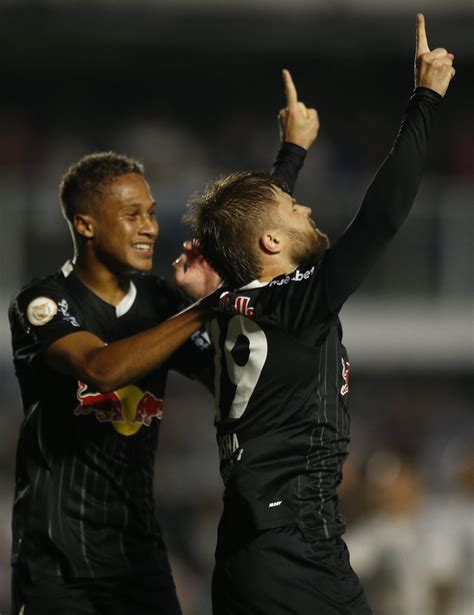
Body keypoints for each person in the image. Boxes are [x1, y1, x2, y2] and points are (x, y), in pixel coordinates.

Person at [185, 14, 455, 615]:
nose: (305, 206)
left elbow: (252, 235)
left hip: (242, 557)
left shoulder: (237, 304)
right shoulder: (297, 300)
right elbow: (381, 217)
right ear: (273, 246)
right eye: (293, 204)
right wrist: (425, 98)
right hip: (299, 554)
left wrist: (291, 151)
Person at [8, 94, 316, 613]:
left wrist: (291, 156)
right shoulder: (43, 302)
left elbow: (231, 384)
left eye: (151, 213)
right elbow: (100, 369)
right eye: (132, 215)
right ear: (85, 225)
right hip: (58, 561)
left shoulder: (161, 302)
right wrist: (206, 307)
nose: (151, 227)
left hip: (139, 554)